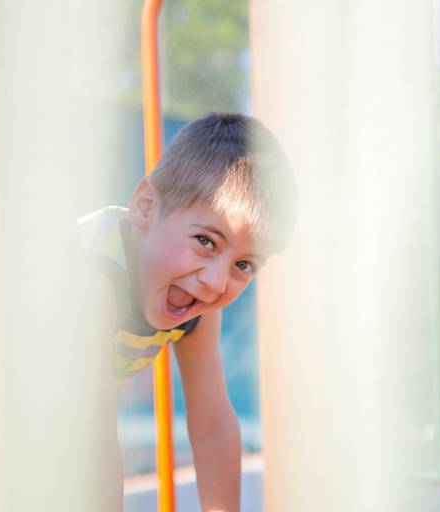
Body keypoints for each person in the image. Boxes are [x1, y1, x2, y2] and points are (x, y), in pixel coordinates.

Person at [78, 112, 297, 511]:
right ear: (145, 207)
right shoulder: (95, 281)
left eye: (244, 265)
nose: (216, 281)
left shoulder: (196, 301)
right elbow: (92, 436)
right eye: (205, 241)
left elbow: (212, 428)